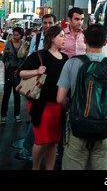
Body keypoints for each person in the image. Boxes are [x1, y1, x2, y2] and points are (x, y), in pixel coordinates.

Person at [56, 24, 107, 170]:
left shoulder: (71, 63)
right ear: (105, 42)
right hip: (104, 129)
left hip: (77, 126)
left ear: (85, 40)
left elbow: (60, 99)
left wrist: (70, 106)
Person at [19, 25, 68, 170]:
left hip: (57, 104)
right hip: (41, 104)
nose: (64, 39)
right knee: (42, 141)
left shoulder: (65, 58)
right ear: (52, 38)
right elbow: (21, 73)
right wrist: (36, 71)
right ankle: (35, 167)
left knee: (53, 141)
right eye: (61, 36)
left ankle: (49, 168)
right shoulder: (39, 55)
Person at [1, 27, 24, 124]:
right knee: (6, 94)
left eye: (17, 35)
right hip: (9, 70)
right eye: (14, 35)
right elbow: (3, 58)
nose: (15, 37)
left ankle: (17, 115)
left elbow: (25, 59)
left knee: (17, 94)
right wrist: (6, 54)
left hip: (18, 71)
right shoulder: (8, 44)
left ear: (21, 35)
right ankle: (3, 115)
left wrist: (19, 69)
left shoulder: (24, 44)